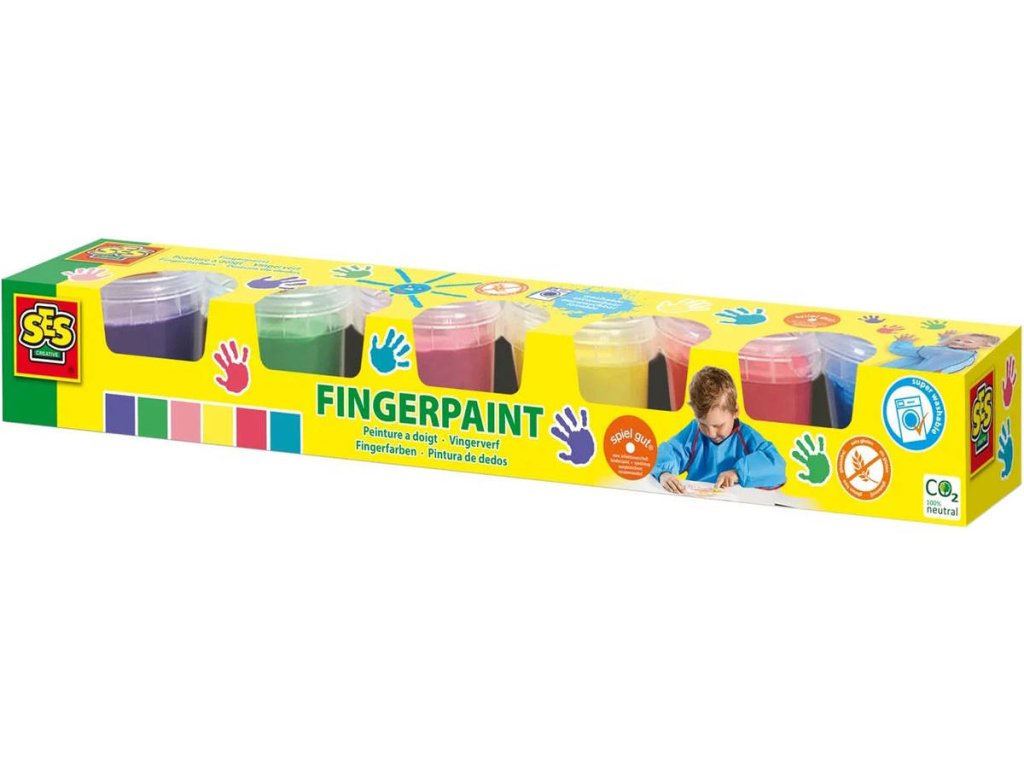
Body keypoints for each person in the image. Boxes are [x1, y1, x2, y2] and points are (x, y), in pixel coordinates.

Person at [652, 366, 786, 493]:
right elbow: (669, 452)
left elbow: (776, 466)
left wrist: (737, 473)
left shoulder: (747, 437)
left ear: (735, 412)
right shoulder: (694, 432)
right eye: (703, 424)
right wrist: (664, 473)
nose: (711, 433)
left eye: (718, 426)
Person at [881, 331, 999, 374]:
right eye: (957, 339)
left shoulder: (943, 352)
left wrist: (902, 342)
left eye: (968, 342)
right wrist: (946, 339)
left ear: (982, 346)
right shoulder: (970, 355)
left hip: (895, 372)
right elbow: (945, 354)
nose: (959, 342)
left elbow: (898, 349)